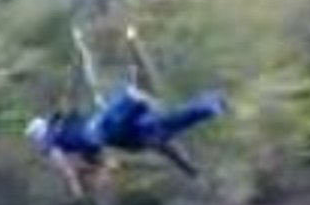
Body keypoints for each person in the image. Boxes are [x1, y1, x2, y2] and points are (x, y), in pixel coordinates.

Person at [25, 84, 226, 196]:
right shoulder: (71, 136)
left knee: (117, 123)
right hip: (119, 136)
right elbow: (91, 155)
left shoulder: (52, 139)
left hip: (105, 129)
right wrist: (104, 167)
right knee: (162, 129)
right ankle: (207, 106)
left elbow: (62, 159)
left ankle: (130, 99)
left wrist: (74, 182)